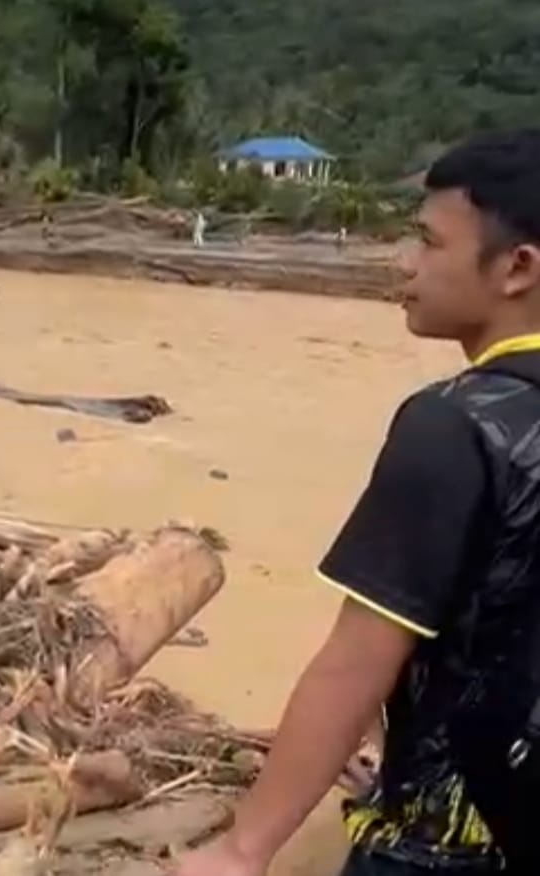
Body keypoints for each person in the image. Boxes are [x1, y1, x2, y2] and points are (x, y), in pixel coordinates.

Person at [174, 127, 540, 876]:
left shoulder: (454, 425)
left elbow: (355, 663)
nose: (403, 262)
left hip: (448, 845)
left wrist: (242, 849)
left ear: (517, 268)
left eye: (428, 242)